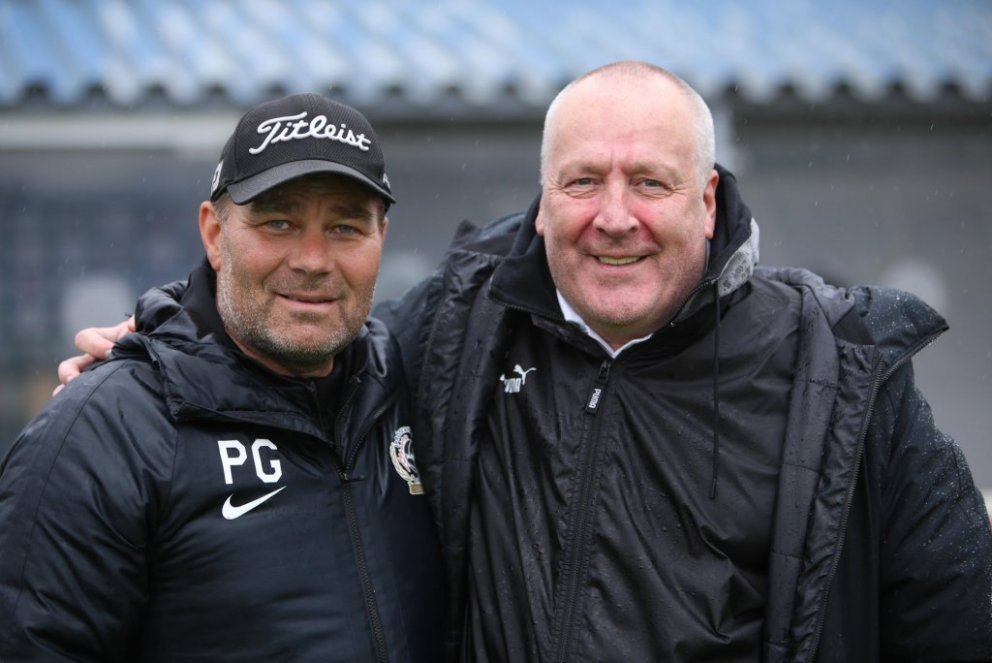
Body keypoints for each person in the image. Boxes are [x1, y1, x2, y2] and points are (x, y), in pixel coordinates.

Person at [56, 62, 992, 662]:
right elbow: (308, 329)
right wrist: (169, 339)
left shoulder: (841, 377)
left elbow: (956, 623)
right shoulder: (459, 329)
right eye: (582, 181)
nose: (614, 216)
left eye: (651, 182)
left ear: (707, 201)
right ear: (542, 202)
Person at [0, 93, 443, 661]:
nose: (312, 259)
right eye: (279, 222)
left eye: (345, 227)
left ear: (381, 237)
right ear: (214, 234)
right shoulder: (105, 432)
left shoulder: (414, 384)